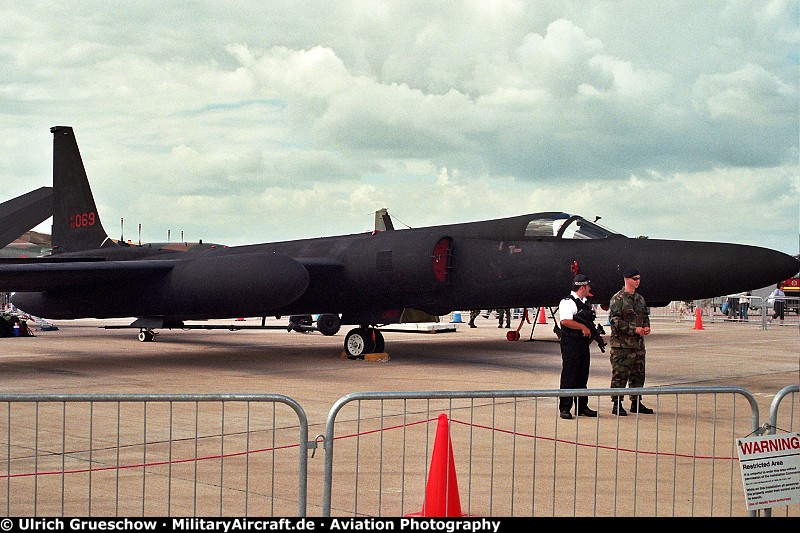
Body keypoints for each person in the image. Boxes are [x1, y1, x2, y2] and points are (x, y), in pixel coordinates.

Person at [608, 268, 652, 416]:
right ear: (627, 279)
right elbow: (614, 321)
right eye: (635, 279)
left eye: (639, 278)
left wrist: (646, 326)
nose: (638, 281)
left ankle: (636, 402)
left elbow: (645, 315)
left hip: (638, 345)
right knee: (620, 375)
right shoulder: (618, 299)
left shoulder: (640, 299)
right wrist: (634, 329)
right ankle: (617, 404)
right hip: (622, 346)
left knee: (638, 374)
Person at [557, 274, 599, 419]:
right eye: (588, 286)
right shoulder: (567, 302)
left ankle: (582, 406)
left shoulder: (585, 302)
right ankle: (565, 407)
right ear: (582, 287)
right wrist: (582, 327)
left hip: (582, 343)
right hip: (571, 343)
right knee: (570, 375)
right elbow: (565, 321)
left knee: (582, 375)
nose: (589, 289)